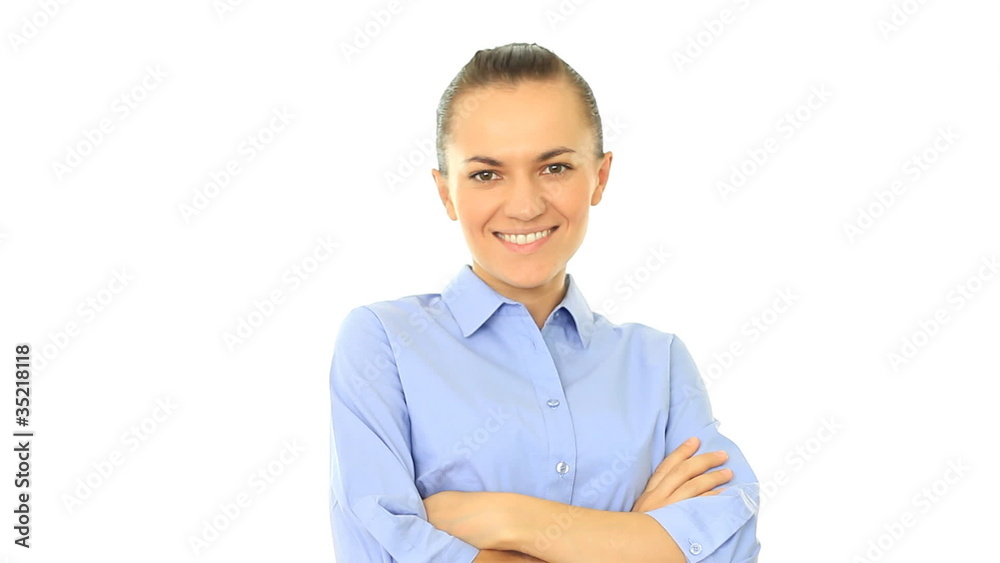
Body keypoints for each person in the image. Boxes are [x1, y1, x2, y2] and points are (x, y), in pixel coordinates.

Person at [328, 42, 761, 562]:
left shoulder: (658, 363)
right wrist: (636, 537)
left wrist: (509, 519)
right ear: (446, 193)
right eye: (486, 174)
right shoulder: (385, 343)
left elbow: (730, 544)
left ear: (600, 176)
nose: (525, 206)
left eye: (554, 167)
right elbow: (378, 551)